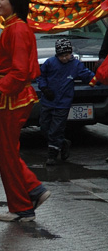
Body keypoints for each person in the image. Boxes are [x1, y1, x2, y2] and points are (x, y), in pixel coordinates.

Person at [0, 0, 50, 222]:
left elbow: (19, 72)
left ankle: (23, 204)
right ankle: (31, 191)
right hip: (9, 99)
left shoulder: (17, 29)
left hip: (13, 99)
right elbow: (3, 57)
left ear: (15, 3)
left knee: (5, 152)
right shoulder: (11, 27)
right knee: (0, 150)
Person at [38, 37, 95, 165]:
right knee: (44, 127)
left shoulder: (76, 65)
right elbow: (41, 76)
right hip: (48, 101)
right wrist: (45, 88)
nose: (64, 58)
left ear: (70, 53)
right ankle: (62, 142)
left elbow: (88, 76)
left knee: (56, 129)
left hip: (63, 103)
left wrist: (99, 78)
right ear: (57, 54)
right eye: (61, 55)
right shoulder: (50, 63)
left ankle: (52, 155)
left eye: (67, 55)